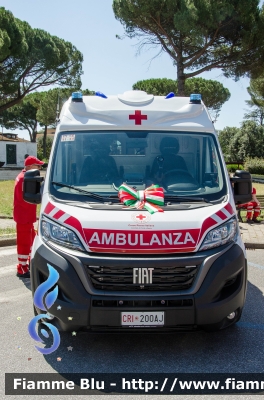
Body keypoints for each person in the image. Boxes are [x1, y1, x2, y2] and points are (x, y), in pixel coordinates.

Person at [13, 156, 44, 278]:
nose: (39, 168)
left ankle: (29, 264)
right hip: (24, 217)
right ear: (30, 166)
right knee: (24, 243)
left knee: (30, 241)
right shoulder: (24, 179)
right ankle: (22, 268)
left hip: (25, 216)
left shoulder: (23, 176)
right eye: (38, 166)